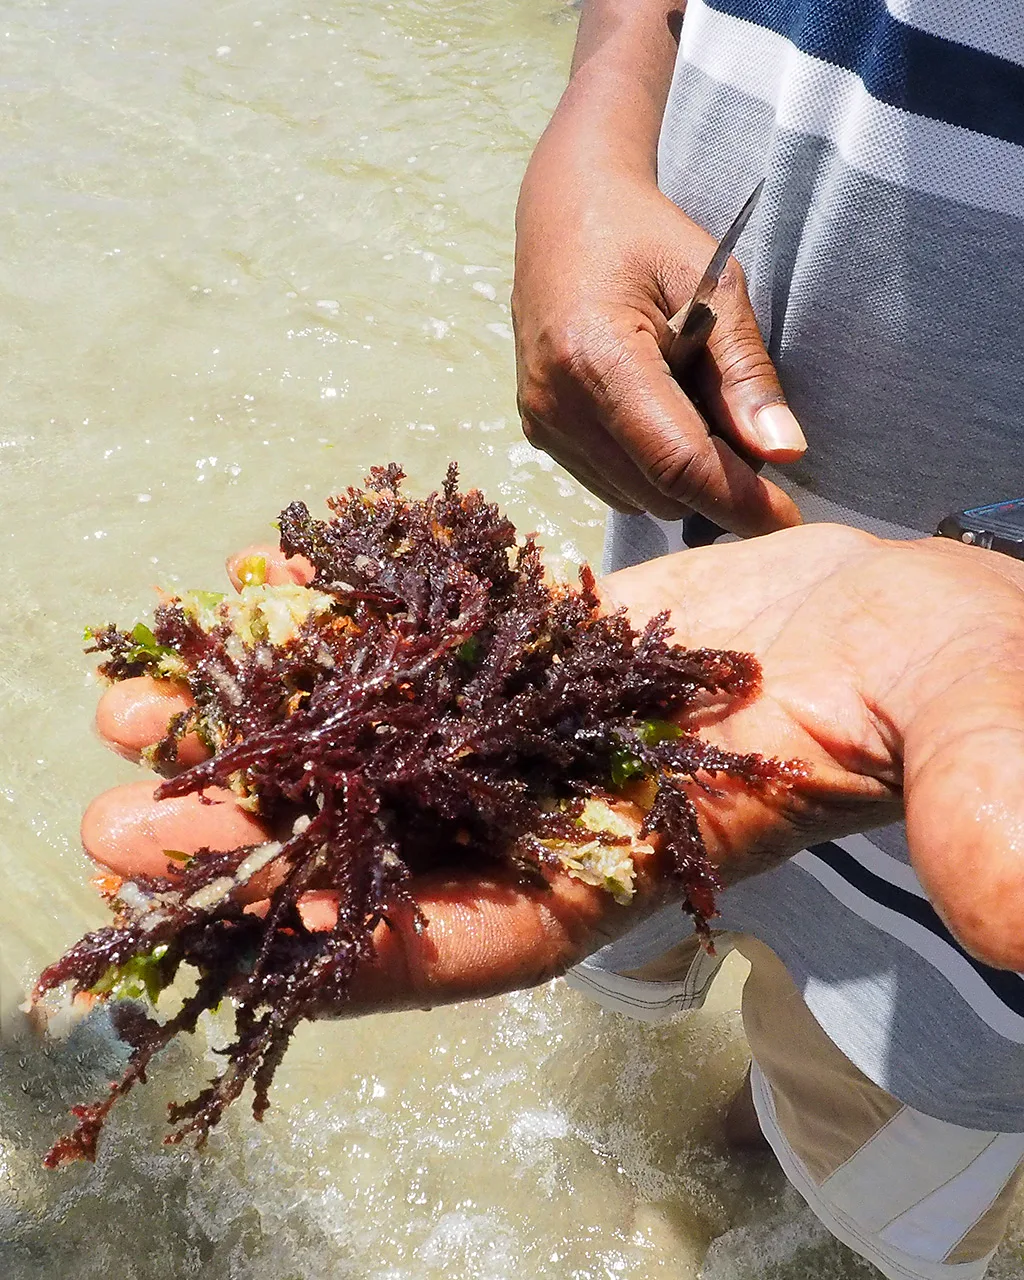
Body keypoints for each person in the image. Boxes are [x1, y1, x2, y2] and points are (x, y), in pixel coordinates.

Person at [86, 527, 1024, 1278]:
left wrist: (999, 585)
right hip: (718, 573)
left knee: (861, 1112)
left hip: (933, 953)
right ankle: (728, 1144)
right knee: (639, 955)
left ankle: (765, 1165)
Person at [509, 0, 1024, 1276]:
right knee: (626, 939)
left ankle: (758, 1151)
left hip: (969, 750)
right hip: (672, 606)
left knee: (860, 1146)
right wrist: (601, 123)